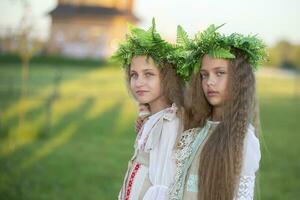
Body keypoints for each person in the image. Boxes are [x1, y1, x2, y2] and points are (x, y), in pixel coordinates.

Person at [169, 24, 267, 200]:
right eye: (204, 75)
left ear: (239, 80)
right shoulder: (195, 129)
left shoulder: (243, 139)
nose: (209, 82)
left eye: (219, 73)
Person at [113, 19, 185, 200]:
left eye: (149, 74)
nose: (139, 82)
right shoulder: (153, 119)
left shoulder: (170, 123)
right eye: (134, 75)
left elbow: (164, 181)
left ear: (168, 77)